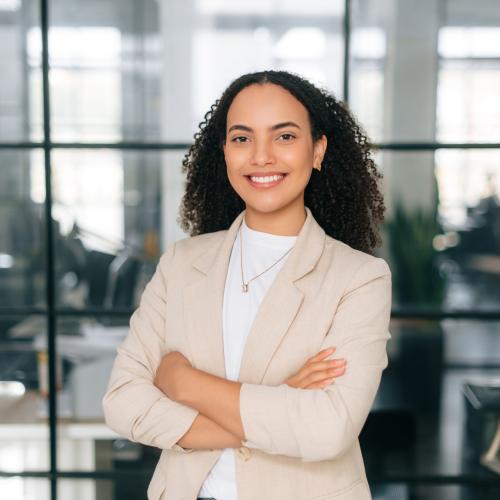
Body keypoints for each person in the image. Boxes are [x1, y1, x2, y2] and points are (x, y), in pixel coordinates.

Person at [102, 70, 391, 500]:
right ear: (224, 153)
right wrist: (283, 399)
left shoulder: (359, 279)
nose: (261, 156)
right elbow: (123, 402)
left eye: (285, 137)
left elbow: (328, 429)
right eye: (241, 138)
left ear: (317, 150)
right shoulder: (181, 265)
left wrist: (184, 384)